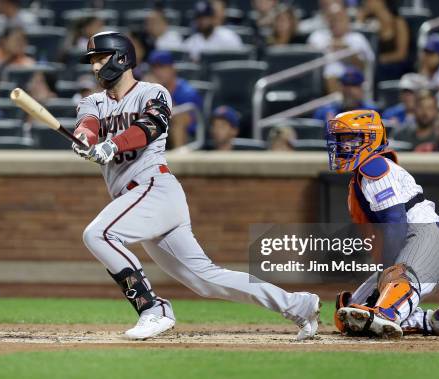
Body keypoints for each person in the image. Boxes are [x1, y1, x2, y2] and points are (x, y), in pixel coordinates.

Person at [71, 31, 320, 340]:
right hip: (141, 201)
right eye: (92, 61)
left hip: (154, 188)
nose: (95, 67)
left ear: (121, 58)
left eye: (100, 58)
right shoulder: (92, 101)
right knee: (205, 279)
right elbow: (88, 125)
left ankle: (153, 309)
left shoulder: (153, 91)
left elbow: (151, 124)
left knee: (99, 234)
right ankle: (299, 304)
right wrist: (85, 140)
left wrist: (113, 146)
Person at [327, 109, 439, 338]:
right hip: (411, 246)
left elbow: (395, 222)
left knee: (385, 299)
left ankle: (387, 312)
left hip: (428, 238)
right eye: (340, 140)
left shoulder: (375, 167)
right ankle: (432, 321)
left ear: (370, 139)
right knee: (348, 314)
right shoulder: (361, 177)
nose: (343, 146)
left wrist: (386, 272)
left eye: (350, 138)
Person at [307, 2, 375, 92]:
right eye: (332, 17)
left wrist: (346, 50)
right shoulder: (317, 36)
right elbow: (308, 62)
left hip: (351, 82)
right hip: (321, 82)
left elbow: (366, 66)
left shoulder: (357, 38)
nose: (335, 21)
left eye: (339, 17)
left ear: (346, 18)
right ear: (326, 19)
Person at [146, 50, 203, 148]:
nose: (158, 72)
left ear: (173, 68)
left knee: (179, 119)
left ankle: (179, 161)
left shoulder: (186, 91)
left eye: (162, 67)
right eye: (154, 68)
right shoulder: (149, 89)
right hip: (159, 132)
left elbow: (188, 120)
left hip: (187, 135)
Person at [358, 0, 409, 81]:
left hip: (392, 67)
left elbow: (401, 54)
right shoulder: (368, 21)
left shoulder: (398, 22)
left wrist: (378, 60)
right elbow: (358, 41)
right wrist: (361, 17)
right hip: (373, 66)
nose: (366, 2)